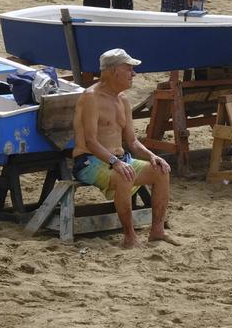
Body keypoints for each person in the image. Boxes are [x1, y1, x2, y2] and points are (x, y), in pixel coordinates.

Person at [72, 48, 173, 248]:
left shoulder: (122, 99)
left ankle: (157, 231)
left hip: (119, 159)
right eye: (129, 69)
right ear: (113, 71)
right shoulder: (91, 97)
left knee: (161, 171)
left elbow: (132, 142)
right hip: (89, 161)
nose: (133, 74)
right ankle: (129, 237)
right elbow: (91, 141)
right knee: (124, 175)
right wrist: (115, 162)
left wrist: (152, 156)